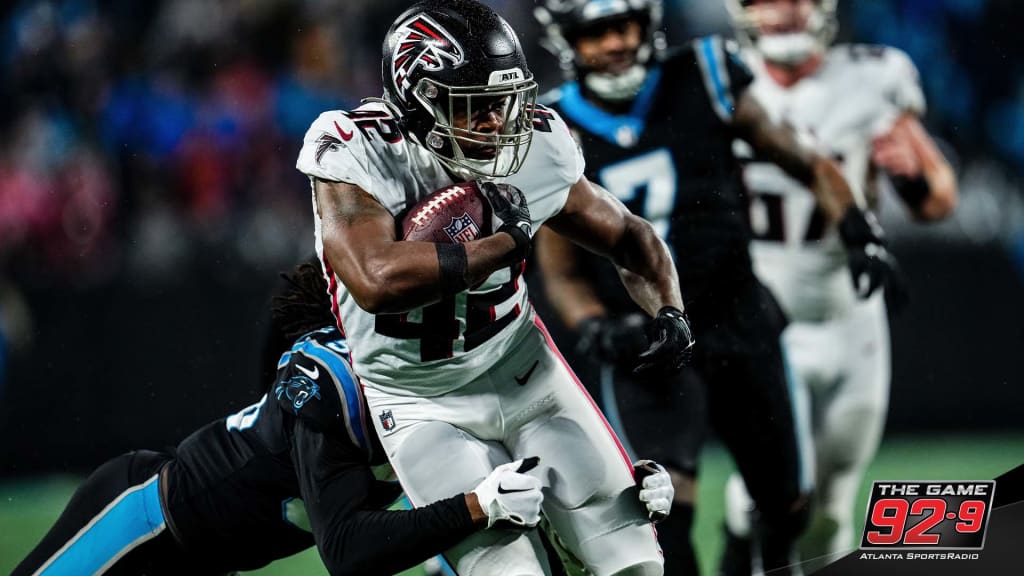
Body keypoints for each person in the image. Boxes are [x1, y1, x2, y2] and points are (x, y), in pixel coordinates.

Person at [297, 1, 695, 574]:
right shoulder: (356, 148)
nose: (497, 123)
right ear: (419, 99)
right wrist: (507, 241)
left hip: (525, 371)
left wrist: (670, 312)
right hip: (419, 403)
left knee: (632, 564)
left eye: (504, 103)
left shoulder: (537, 143)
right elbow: (375, 279)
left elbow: (629, 235)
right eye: (475, 106)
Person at [530, 1, 903, 574]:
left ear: (646, 23)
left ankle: (738, 556)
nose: (612, 44)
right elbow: (561, 269)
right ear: (568, 42)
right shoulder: (553, 128)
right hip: (648, 342)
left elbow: (807, 161)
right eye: (594, 33)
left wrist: (857, 227)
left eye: (622, 25)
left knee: (786, 506)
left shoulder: (704, 72)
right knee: (663, 513)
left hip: (736, 316)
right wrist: (595, 324)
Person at [13, 258, 678, 575]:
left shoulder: (462, 387)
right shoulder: (330, 379)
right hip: (149, 518)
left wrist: (622, 485)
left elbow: (528, 488)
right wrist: (477, 506)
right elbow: (349, 551)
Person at [723, 0, 958, 569]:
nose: (782, 12)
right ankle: (739, 540)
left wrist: (916, 174)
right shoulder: (714, 76)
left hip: (850, 320)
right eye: (765, 0)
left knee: (830, 508)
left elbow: (938, 197)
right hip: (764, 322)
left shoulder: (874, 77)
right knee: (775, 499)